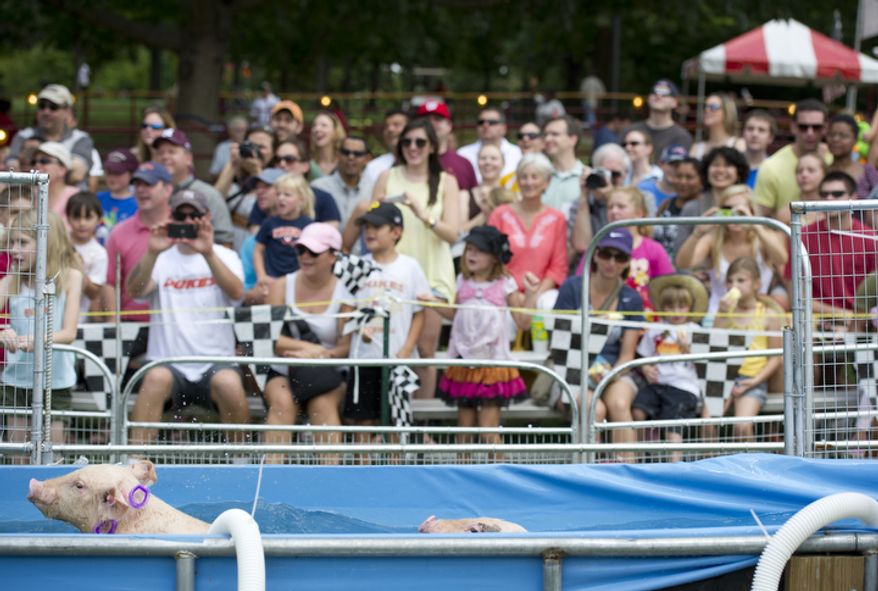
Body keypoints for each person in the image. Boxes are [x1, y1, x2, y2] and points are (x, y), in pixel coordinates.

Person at [126, 188, 249, 445]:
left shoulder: (225, 255)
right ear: (171, 217)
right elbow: (134, 292)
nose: (187, 222)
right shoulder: (160, 258)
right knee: (154, 379)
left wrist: (208, 252)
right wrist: (151, 252)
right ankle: (134, 463)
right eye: (180, 215)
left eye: (193, 215)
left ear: (207, 217)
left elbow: (237, 293)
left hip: (216, 362)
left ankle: (241, 462)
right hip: (168, 362)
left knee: (230, 384)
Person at [371, 118, 460, 399]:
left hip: (432, 274)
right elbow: (371, 220)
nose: (413, 147)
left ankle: (420, 428)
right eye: (407, 141)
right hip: (392, 273)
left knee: (424, 351)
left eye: (420, 142)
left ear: (432, 146)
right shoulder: (387, 176)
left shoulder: (447, 181)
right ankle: (390, 423)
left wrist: (424, 215)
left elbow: (453, 234)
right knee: (388, 348)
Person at [428, 227, 537, 453]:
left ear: (495, 257)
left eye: (479, 251)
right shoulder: (461, 282)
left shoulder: (505, 285)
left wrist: (532, 294)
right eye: (469, 249)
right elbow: (453, 313)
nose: (471, 255)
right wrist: (432, 302)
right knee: (463, 432)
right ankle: (462, 479)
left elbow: (523, 322)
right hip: (465, 364)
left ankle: (497, 475)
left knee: (489, 431)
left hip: (492, 366)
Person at [343, 202, 429, 461]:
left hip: (397, 359)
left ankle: (395, 473)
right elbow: (346, 310)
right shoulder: (357, 265)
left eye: (377, 227)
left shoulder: (410, 267)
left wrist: (405, 350)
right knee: (362, 421)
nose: (370, 232)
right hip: (364, 357)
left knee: (395, 420)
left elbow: (419, 313)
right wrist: (358, 327)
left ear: (396, 232)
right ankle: (362, 474)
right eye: (366, 226)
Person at [264, 223, 352, 465]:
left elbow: (346, 346)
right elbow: (269, 338)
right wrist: (311, 350)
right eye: (301, 250)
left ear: (333, 256)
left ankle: (329, 485)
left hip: (328, 372)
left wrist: (321, 356)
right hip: (284, 368)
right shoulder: (281, 285)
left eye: (313, 252)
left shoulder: (346, 292)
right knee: (282, 403)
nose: (304, 257)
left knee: (322, 404)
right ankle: (269, 486)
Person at [553, 229, 644, 458]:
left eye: (620, 257)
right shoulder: (572, 288)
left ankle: (628, 475)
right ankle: (589, 474)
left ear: (627, 263)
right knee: (595, 409)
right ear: (595, 255)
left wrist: (606, 377)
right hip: (571, 368)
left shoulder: (631, 298)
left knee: (620, 404)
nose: (611, 262)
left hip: (613, 370)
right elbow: (559, 343)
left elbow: (627, 354)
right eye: (605, 254)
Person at [0, 210, 83, 463]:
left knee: (52, 456)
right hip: (16, 381)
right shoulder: (11, 280)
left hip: (54, 381)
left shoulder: (71, 277)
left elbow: (69, 333)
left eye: (22, 242)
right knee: (18, 458)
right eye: (12, 242)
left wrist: (38, 341)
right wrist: (3, 334)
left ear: (47, 241)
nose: (14, 250)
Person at [676, 184, 788, 319]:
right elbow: (683, 263)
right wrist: (697, 233)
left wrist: (755, 226)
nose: (735, 216)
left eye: (740, 211)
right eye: (728, 209)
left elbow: (782, 259)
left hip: (757, 316)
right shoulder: (713, 239)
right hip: (719, 315)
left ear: (751, 211)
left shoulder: (765, 236)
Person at [633, 273, 709, 462]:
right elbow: (643, 355)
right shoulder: (655, 329)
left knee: (673, 425)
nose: (676, 312)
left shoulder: (695, 330)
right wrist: (645, 369)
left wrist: (689, 348)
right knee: (637, 410)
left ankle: (675, 466)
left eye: (681, 306)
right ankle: (645, 456)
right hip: (658, 384)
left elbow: (706, 362)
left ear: (689, 308)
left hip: (683, 387)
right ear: (663, 307)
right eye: (670, 307)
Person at [792, 171, 878, 317]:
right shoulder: (804, 236)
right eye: (824, 195)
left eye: (837, 194)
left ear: (853, 197)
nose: (829, 199)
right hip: (815, 320)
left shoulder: (870, 238)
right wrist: (843, 315)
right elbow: (796, 295)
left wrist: (856, 320)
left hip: (862, 322)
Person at [714, 256, 782, 440]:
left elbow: (776, 357)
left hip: (753, 379)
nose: (733, 286)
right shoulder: (724, 312)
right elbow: (715, 345)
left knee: (742, 427)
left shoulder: (769, 315)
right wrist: (721, 314)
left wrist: (753, 381)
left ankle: (747, 467)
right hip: (725, 375)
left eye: (741, 280)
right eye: (729, 281)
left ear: (757, 284)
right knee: (708, 422)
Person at [488, 153, 567, 309]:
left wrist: (533, 296)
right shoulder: (500, 214)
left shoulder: (557, 218)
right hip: (504, 290)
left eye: (535, 177)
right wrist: (514, 294)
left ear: (546, 182)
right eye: (523, 177)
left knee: (547, 306)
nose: (529, 182)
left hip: (542, 293)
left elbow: (558, 267)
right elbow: (491, 257)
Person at [577, 187, 674, 311]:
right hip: (601, 314)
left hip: (643, 317)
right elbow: (581, 281)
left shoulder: (654, 249)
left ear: (639, 213)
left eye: (621, 207)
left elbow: (668, 288)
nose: (613, 211)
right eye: (610, 207)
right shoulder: (596, 246)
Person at [102, 161, 173, 323]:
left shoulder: (182, 227)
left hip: (176, 321)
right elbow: (110, 282)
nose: (141, 190)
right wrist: (113, 325)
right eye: (137, 184)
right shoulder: (119, 232)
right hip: (132, 323)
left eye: (149, 184)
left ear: (168, 189)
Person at [153, 128, 235, 247]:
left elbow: (225, 240)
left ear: (188, 158)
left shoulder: (208, 194)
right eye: (160, 153)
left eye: (171, 151)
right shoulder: (149, 194)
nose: (165, 157)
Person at [755, 98, 828, 225]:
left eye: (816, 127)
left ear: (825, 128)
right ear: (793, 127)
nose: (810, 133)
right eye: (803, 127)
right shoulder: (771, 166)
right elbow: (759, 218)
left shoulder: (833, 158)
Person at [5, 84, 94, 185]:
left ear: (67, 111)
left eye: (53, 107)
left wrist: (29, 164)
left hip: (68, 198)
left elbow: (77, 173)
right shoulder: (23, 136)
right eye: (42, 106)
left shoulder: (80, 138)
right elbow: (11, 166)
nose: (46, 112)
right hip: (30, 196)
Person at [674, 146, 750, 251]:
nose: (720, 170)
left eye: (728, 165)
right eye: (715, 165)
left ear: (738, 173)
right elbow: (680, 251)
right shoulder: (692, 208)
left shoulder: (749, 205)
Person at [253, 173, 315, 296]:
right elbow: (258, 251)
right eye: (278, 194)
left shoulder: (308, 225)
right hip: (272, 281)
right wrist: (261, 276)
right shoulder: (269, 223)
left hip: (298, 281)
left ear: (301, 199)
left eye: (287, 195)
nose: (281, 198)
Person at [569, 142, 631, 262]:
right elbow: (582, 245)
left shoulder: (637, 200)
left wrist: (612, 200)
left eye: (615, 174)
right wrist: (583, 195)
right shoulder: (581, 202)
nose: (609, 179)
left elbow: (631, 239)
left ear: (626, 175)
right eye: (603, 173)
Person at [311, 136, 372, 229]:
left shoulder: (373, 190)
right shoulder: (318, 187)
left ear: (367, 159)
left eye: (357, 154)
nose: (351, 157)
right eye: (346, 152)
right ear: (338, 155)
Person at [417, 100, 478, 191]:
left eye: (438, 119)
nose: (431, 123)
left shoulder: (464, 164)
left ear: (449, 125)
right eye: (425, 120)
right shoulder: (407, 161)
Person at [653, 156, 703, 260]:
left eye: (689, 177)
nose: (682, 182)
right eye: (679, 176)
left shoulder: (704, 208)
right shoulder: (665, 205)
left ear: (701, 179)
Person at [66, 191, 107, 318]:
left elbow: (93, 293)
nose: (82, 223)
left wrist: (79, 269)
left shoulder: (99, 253)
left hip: (78, 319)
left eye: (88, 217)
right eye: (77, 217)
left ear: (99, 219)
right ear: (68, 217)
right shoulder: (58, 241)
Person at [630, 79, 693, 161]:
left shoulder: (682, 136)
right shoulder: (631, 131)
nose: (658, 96)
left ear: (675, 102)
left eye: (665, 94)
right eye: (654, 93)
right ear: (648, 98)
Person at [457, 107, 522, 182]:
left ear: (504, 128)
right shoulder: (463, 154)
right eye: (481, 122)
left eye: (492, 122)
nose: (485, 125)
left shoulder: (518, 153)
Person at [826, 113, 878, 199]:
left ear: (855, 139)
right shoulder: (820, 170)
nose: (836, 139)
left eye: (843, 136)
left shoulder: (868, 171)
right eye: (831, 135)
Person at [542, 115, 587, 215]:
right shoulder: (539, 175)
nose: (547, 139)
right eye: (545, 135)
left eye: (555, 134)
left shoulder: (586, 176)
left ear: (573, 139)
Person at [96, 149, 139, 243]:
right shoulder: (96, 199)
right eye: (109, 172)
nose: (112, 178)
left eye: (117, 173)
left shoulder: (138, 204)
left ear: (132, 174)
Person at [361, 109, 409, 194]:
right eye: (386, 126)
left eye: (396, 125)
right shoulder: (373, 167)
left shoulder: (423, 165)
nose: (390, 129)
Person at [32, 141, 79, 223]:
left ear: (63, 169)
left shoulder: (76, 196)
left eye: (44, 161)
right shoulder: (29, 195)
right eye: (33, 162)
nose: (37, 165)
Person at [689, 93, 745, 160]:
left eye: (713, 107)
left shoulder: (739, 145)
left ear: (726, 111)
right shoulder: (696, 149)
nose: (707, 110)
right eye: (705, 106)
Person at [741, 109, 776, 188]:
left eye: (761, 130)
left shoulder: (775, 169)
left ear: (770, 137)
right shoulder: (731, 165)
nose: (755, 134)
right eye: (750, 129)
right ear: (743, 133)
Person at [622, 127, 662, 195]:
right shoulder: (621, 175)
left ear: (649, 148)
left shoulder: (658, 177)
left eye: (634, 143)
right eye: (624, 144)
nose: (628, 148)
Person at [309, 111, 346, 179]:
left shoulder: (344, 163)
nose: (317, 129)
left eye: (324, 125)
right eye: (314, 125)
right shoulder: (307, 165)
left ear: (335, 132)